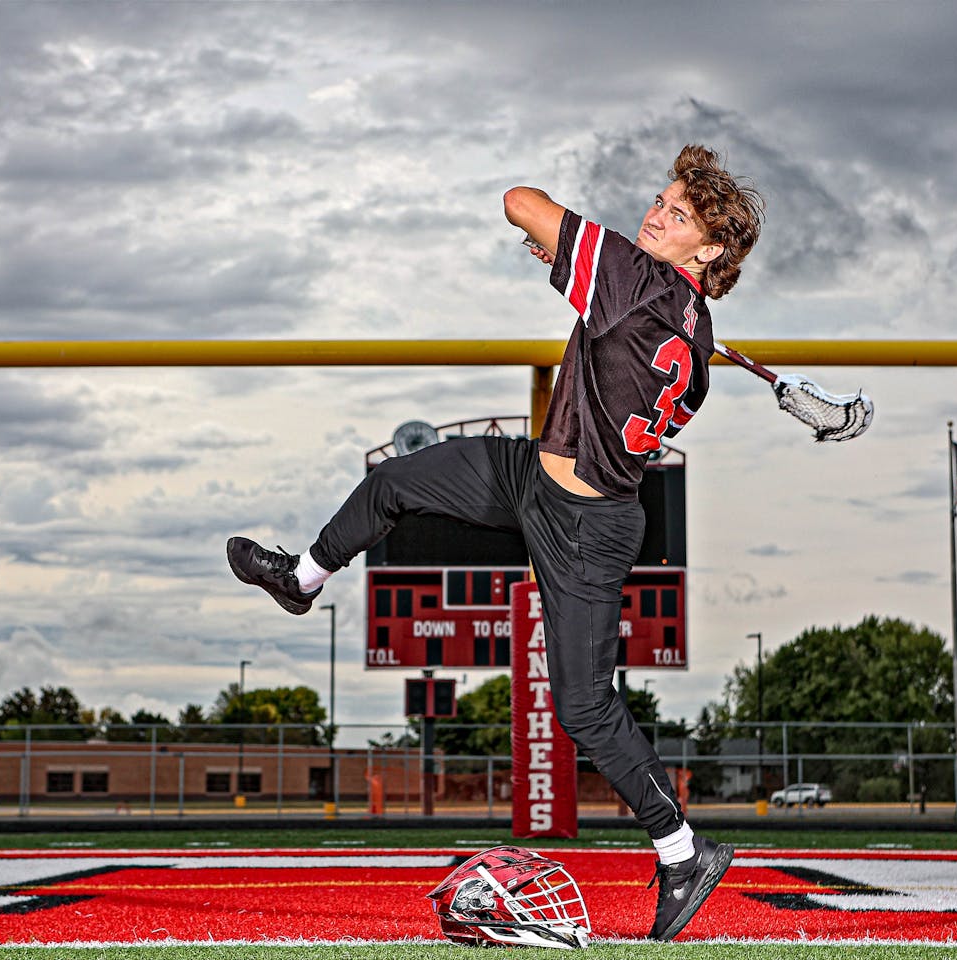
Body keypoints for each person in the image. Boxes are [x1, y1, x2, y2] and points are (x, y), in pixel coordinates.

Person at [227, 144, 763, 941]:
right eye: (660, 199)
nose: (655, 213)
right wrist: (583, 263)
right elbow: (624, 334)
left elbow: (518, 200)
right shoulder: (688, 321)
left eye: (677, 215)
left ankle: (683, 850)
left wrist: (587, 248)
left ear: (710, 250)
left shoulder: (635, 279)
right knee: (397, 482)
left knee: (584, 707)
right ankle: (302, 579)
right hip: (537, 476)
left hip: (585, 524)